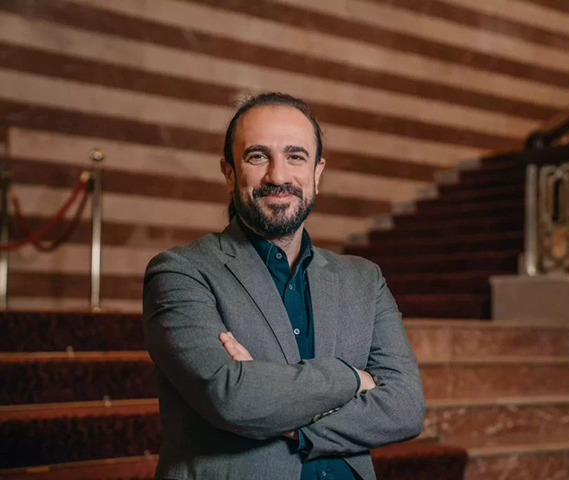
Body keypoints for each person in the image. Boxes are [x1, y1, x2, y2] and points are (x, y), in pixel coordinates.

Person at [143, 92, 425, 480]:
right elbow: (233, 398)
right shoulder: (180, 272)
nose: (278, 176)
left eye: (295, 156)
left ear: (317, 173)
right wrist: (353, 378)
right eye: (258, 156)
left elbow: (406, 408)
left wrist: (286, 418)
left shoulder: (365, 280)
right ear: (229, 173)